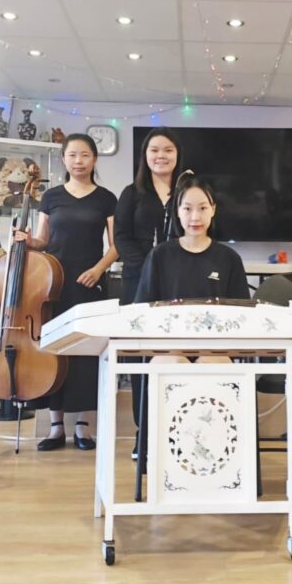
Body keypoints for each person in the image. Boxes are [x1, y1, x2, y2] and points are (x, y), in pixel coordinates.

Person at [14, 133, 117, 451]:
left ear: (94, 159)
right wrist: (28, 241)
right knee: (55, 350)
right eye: (72, 155)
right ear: (64, 159)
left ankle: (84, 426)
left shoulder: (106, 199)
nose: (78, 161)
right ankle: (56, 427)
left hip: (89, 282)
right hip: (53, 284)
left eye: (85, 155)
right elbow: (43, 240)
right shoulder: (51, 197)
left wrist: (98, 269)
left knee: (87, 351)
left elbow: (116, 246)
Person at [113, 128, 185, 440]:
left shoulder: (187, 190)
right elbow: (121, 237)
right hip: (139, 283)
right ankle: (144, 430)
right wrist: (149, 268)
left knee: (177, 353)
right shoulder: (132, 193)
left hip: (180, 283)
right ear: (145, 155)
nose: (161, 156)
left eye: (168, 150)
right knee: (142, 354)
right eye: (154, 150)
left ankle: (177, 427)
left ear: (177, 155)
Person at [134, 174, 249, 305]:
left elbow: (241, 310)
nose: (195, 217)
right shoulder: (159, 256)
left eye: (203, 208)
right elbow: (143, 308)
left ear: (213, 210)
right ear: (178, 211)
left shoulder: (230, 259)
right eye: (187, 208)